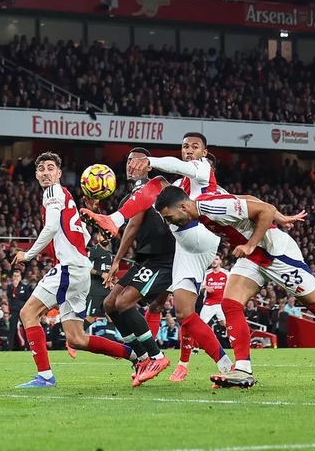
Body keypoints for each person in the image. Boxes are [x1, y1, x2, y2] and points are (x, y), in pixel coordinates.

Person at [154, 186, 315, 389]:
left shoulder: (211, 208)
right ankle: (243, 369)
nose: (168, 222)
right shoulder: (206, 205)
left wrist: (252, 241)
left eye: (168, 216)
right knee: (230, 303)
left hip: (276, 255)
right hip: (254, 258)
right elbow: (245, 198)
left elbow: (265, 209)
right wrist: (277, 218)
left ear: (183, 206)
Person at [82, 134, 234, 380]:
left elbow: (176, 166)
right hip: (185, 248)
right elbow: (141, 210)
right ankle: (226, 367)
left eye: (195, 147)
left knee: (159, 184)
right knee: (185, 314)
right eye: (184, 146)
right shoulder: (183, 185)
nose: (189, 151)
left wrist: (150, 162)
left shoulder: (202, 169)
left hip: (198, 235)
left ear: (204, 152)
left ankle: (155, 357)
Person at [11, 152, 135, 388]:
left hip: (69, 268)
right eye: (41, 169)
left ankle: (45, 377)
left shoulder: (52, 193)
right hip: (80, 271)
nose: (46, 173)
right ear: (36, 174)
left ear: (59, 173)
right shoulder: (67, 196)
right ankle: (134, 355)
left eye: (50, 168)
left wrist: (27, 255)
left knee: (28, 314)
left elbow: (50, 227)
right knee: (77, 339)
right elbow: (86, 236)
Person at [98, 148, 175, 387]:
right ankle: (141, 358)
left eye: (138, 160)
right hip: (146, 260)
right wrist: (112, 251)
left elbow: (131, 228)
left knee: (124, 303)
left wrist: (117, 261)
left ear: (149, 165)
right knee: (109, 304)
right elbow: (127, 229)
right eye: (129, 161)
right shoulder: (127, 199)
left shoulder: (155, 186)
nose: (132, 164)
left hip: (165, 258)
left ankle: (157, 356)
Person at [170, 254, 228, 382]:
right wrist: (205, 287)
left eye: (217, 259)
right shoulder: (206, 273)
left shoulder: (226, 274)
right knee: (195, 323)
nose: (214, 261)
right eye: (213, 258)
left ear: (221, 261)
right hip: (209, 304)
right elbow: (201, 285)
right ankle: (194, 349)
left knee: (225, 324)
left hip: (220, 303)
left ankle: (231, 362)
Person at [7, 269, 31, 351]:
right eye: (14, 276)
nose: (16, 278)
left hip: (22, 309)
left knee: (25, 328)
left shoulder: (25, 287)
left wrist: (16, 292)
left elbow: (26, 298)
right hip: (13, 310)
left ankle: (28, 347)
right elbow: (10, 296)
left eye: (17, 276)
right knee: (12, 329)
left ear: (20, 277)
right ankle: (10, 347)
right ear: (12, 277)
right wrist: (14, 288)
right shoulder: (10, 287)